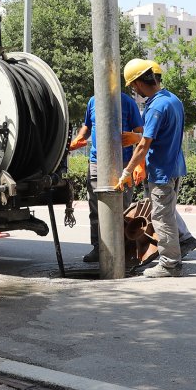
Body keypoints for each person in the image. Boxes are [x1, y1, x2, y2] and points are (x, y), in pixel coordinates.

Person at [118, 58, 196, 278]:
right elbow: (161, 134)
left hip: (162, 171)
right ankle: (177, 252)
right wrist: (137, 136)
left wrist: (127, 172)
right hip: (174, 167)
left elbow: (144, 145)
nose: (134, 89)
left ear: (138, 83)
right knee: (167, 214)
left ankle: (170, 264)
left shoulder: (155, 107)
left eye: (133, 85)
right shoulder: (173, 100)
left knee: (162, 218)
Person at [69, 91, 142, 263]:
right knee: (96, 209)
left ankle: (123, 250)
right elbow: (87, 126)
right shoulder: (93, 100)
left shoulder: (127, 102)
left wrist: (139, 163)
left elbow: (140, 132)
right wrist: (78, 139)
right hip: (96, 163)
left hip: (122, 162)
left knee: (122, 208)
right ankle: (98, 248)